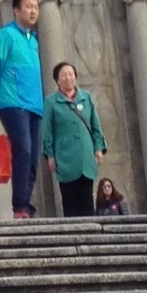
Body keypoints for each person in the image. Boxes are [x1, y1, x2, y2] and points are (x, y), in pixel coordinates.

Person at [0, 0, 46, 217]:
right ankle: (20, 204)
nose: (33, 11)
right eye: (28, 7)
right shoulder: (5, 35)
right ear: (16, 10)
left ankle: (25, 202)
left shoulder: (33, 41)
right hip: (12, 101)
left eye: (36, 7)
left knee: (31, 156)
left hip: (34, 105)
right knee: (23, 149)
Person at [44, 62, 107, 218]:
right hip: (64, 158)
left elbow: (95, 125)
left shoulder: (86, 98)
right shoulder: (51, 101)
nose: (68, 78)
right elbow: (47, 131)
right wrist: (50, 155)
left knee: (87, 198)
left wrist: (98, 148)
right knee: (69, 200)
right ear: (57, 80)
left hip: (86, 157)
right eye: (64, 75)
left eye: (71, 74)